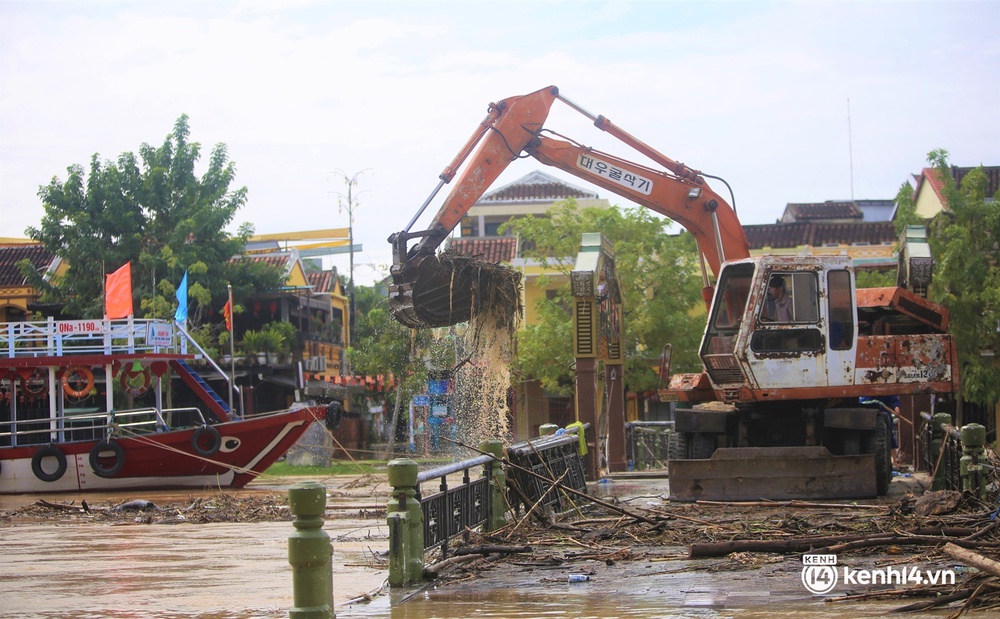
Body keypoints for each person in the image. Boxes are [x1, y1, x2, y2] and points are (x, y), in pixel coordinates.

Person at [860, 395, 901, 467]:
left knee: (890, 438)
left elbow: (893, 399)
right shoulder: (865, 394)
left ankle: (894, 461)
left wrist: (896, 407)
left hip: (883, 413)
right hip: (867, 412)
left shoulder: (887, 390)